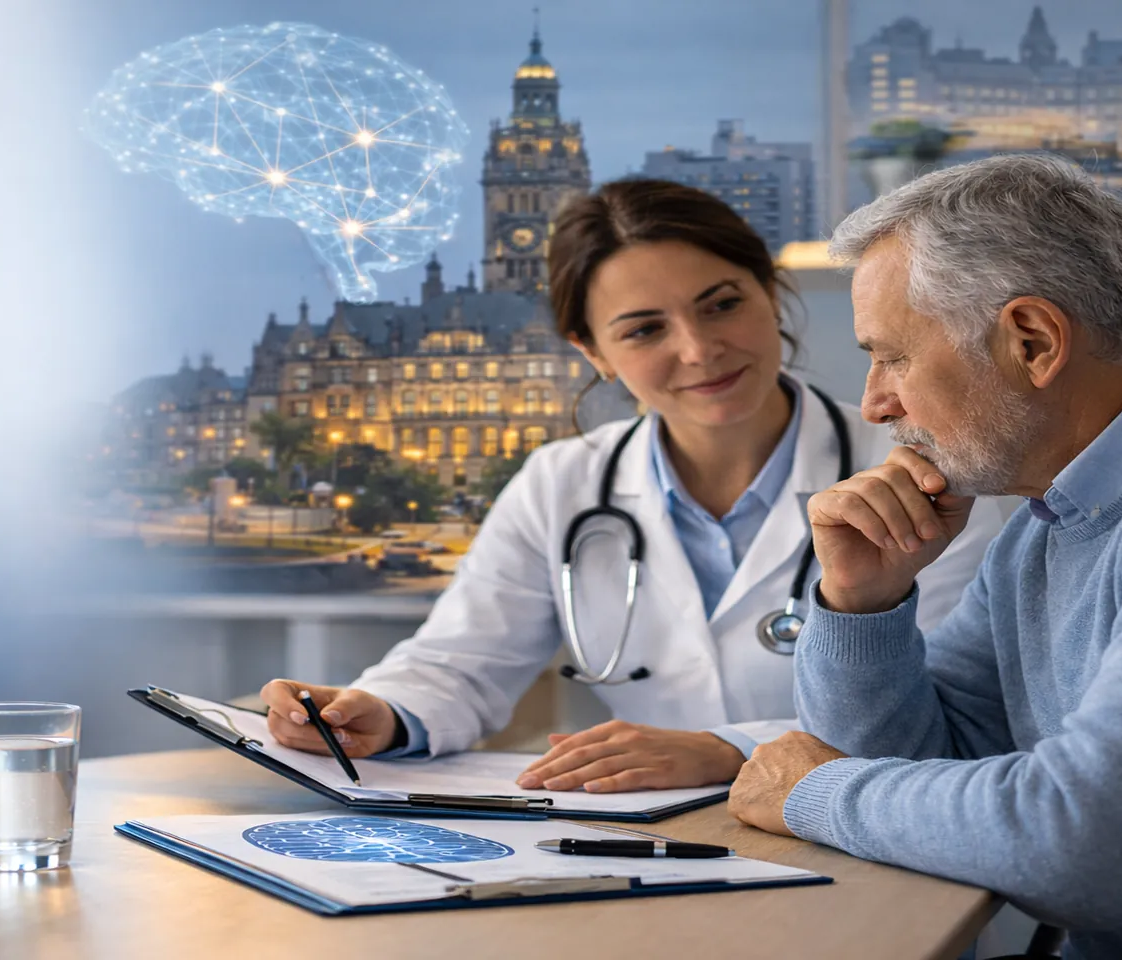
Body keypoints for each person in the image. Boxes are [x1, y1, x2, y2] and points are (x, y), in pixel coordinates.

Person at [261, 179, 1001, 795]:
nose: (698, 348)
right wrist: (378, 712)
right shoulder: (562, 483)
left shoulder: (931, 470)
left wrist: (726, 748)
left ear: (770, 294)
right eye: (645, 330)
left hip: (879, 851)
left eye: (721, 304)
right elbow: (460, 662)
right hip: (646, 851)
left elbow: (947, 711)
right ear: (594, 352)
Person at [726, 155, 1122, 960]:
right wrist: (861, 607)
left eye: (891, 356)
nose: (875, 403)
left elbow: (1086, 847)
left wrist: (811, 794)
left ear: (1032, 342)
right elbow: (922, 764)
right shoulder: (1049, 521)